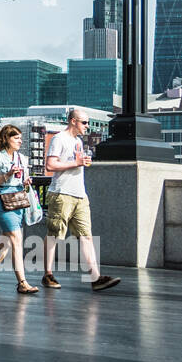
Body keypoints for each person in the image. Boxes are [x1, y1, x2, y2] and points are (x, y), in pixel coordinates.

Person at [42, 109, 120, 291]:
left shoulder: (78, 141)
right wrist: (76, 163)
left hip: (80, 195)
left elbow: (73, 163)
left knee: (86, 236)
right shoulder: (59, 139)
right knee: (54, 234)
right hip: (61, 193)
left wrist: (81, 162)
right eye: (84, 122)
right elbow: (50, 165)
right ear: (72, 121)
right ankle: (48, 274)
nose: (87, 126)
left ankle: (95, 277)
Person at [0, 125, 38, 293]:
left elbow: (22, 178)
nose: (20, 141)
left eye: (21, 138)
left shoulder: (22, 158)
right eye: (16, 138)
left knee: (5, 244)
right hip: (3, 199)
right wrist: (7, 175)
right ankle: (22, 282)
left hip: (18, 199)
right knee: (16, 239)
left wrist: (26, 181)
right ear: (6, 139)